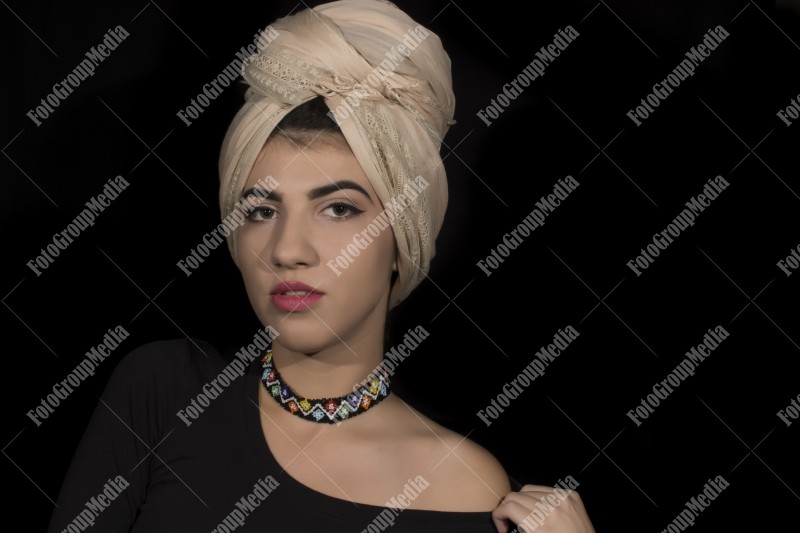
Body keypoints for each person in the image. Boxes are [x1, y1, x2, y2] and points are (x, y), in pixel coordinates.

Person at [47, 1, 595, 531]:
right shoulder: (164, 391)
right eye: (261, 211)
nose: (288, 249)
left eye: (338, 208)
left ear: (404, 240)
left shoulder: (463, 482)